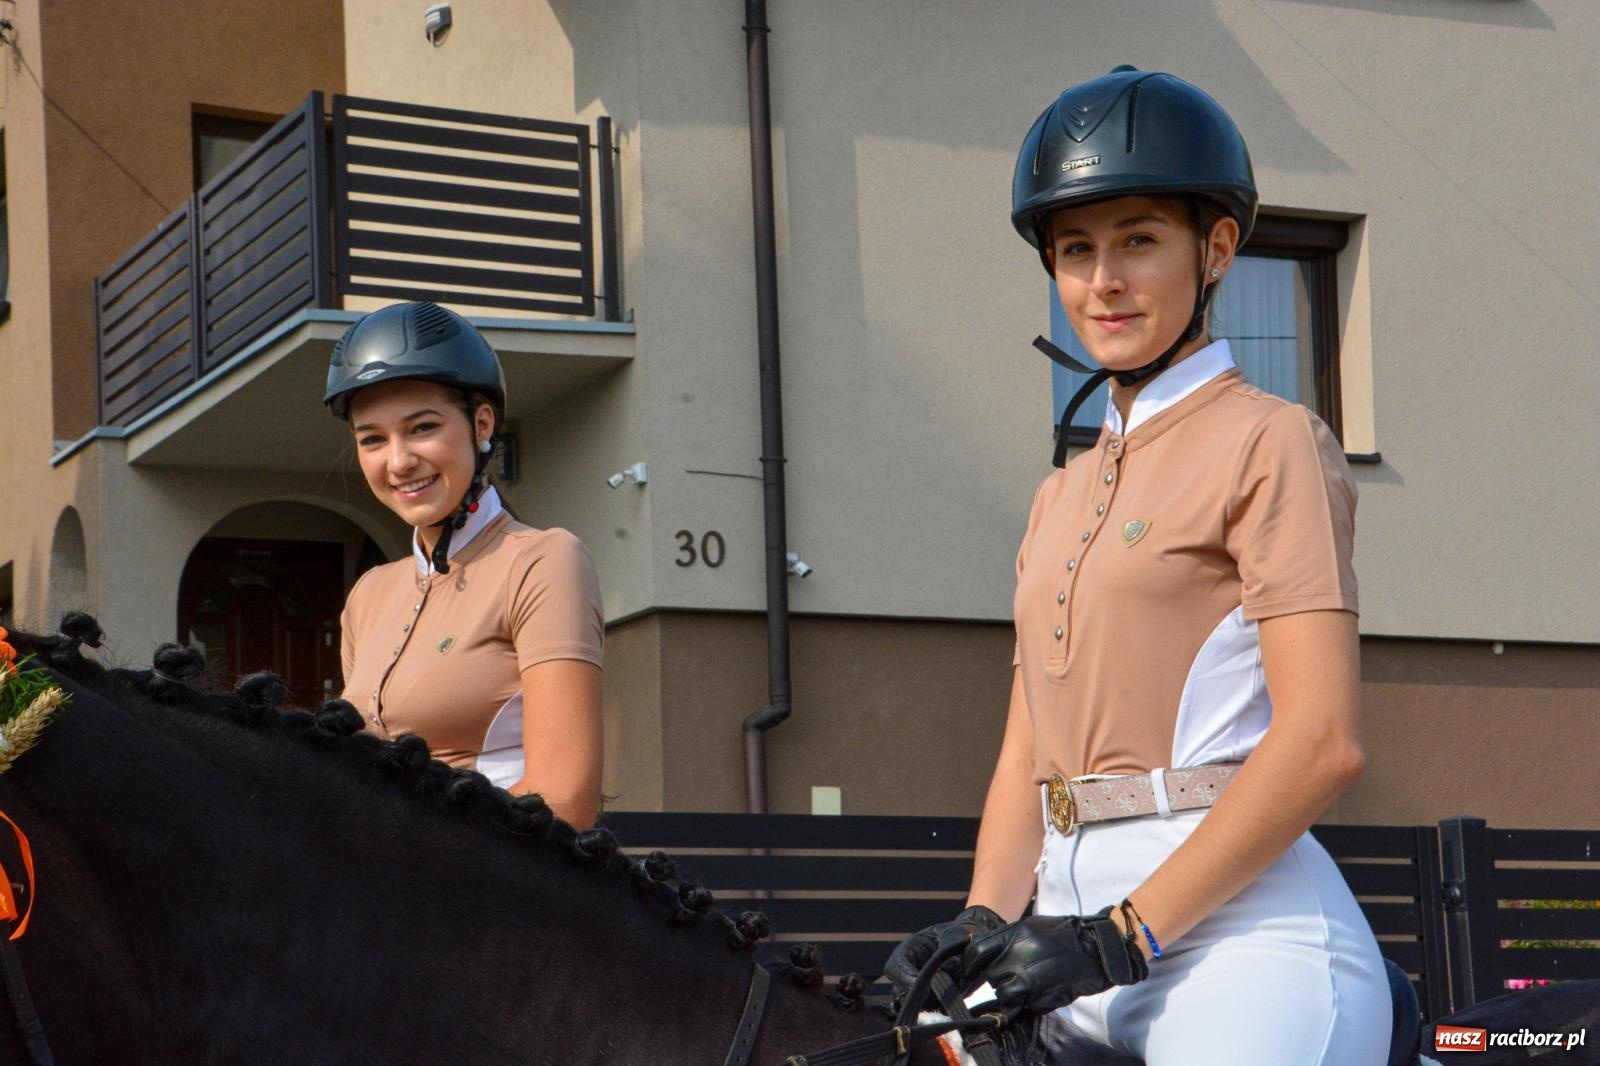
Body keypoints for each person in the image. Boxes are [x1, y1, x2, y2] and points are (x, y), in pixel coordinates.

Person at [886, 67, 1391, 1064]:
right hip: (1062, 945)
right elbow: (1025, 761)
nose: (1102, 280)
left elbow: (1324, 739)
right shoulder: (1058, 495)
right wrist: (983, 919)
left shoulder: (1271, 440)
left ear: (1216, 250)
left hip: (1237, 952)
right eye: (1075, 250)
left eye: (1138, 241)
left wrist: (1123, 934)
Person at [325, 301, 605, 829]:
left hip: (497, 891)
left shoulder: (544, 561)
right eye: (372, 440)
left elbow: (565, 802)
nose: (399, 460)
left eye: (423, 427)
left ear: (481, 424)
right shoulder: (368, 595)